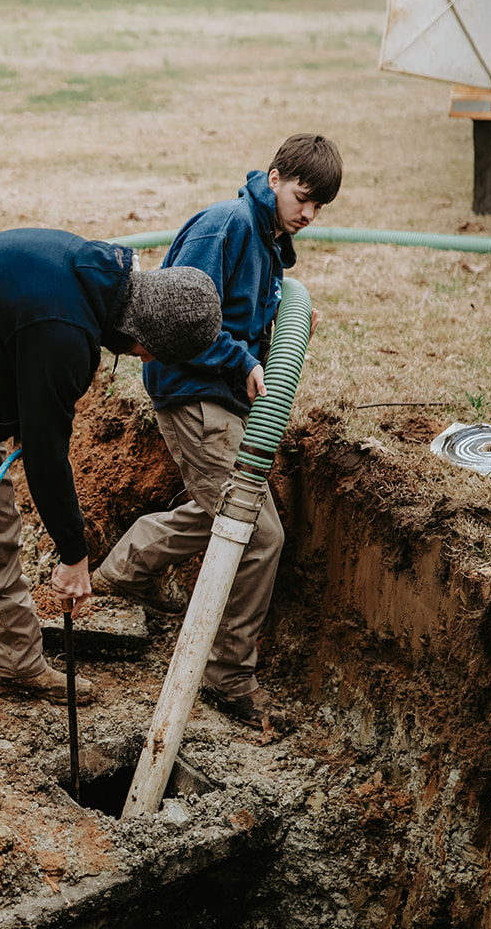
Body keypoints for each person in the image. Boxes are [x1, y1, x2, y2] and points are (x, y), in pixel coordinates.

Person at [0, 227, 221, 810]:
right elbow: (44, 452)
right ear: (139, 332)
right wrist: (73, 553)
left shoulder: (103, 277)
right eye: (152, 354)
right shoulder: (64, 333)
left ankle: (17, 664)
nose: (147, 363)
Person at [90, 133, 343, 735]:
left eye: (318, 207)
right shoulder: (226, 225)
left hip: (222, 398)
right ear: (276, 177)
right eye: (301, 198)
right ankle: (228, 675)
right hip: (194, 395)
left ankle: (121, 574)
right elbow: (176, 315)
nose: (307, 215)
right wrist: (243, 361)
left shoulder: (269, 236)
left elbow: (245, 311)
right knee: (256, 533)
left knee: (222, 511)